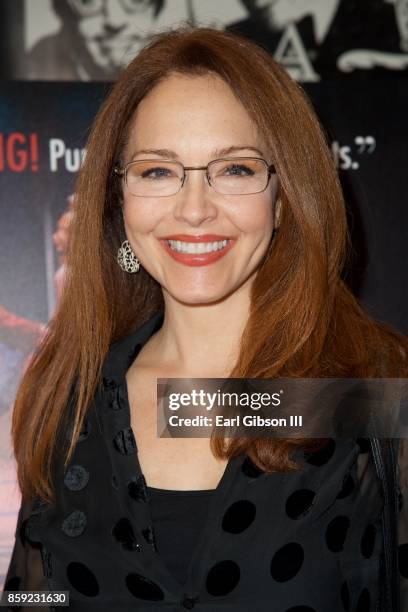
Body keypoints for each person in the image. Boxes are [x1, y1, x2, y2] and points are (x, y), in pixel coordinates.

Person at [3, 25, 407, 611]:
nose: (194, 209)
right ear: (119, 199)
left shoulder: (371, 391)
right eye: (158, 171)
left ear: (283, 197)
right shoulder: (70, 402)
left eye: (235, 169)